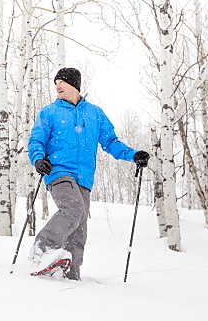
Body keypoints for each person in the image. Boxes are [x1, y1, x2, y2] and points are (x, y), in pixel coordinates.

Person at [26, 67, 149, 280]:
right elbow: (36, 139)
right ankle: (41, 250)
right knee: (73, 209)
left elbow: (111, 142)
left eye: (61, 82)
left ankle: (71, 273)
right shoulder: (50, 112)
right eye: (56, 83)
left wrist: (134, 155)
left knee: (79, 227)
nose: (57, 86)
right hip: (59, 172)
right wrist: (38, 159)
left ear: (74, 85)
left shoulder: (95, 114)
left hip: (84, 178)